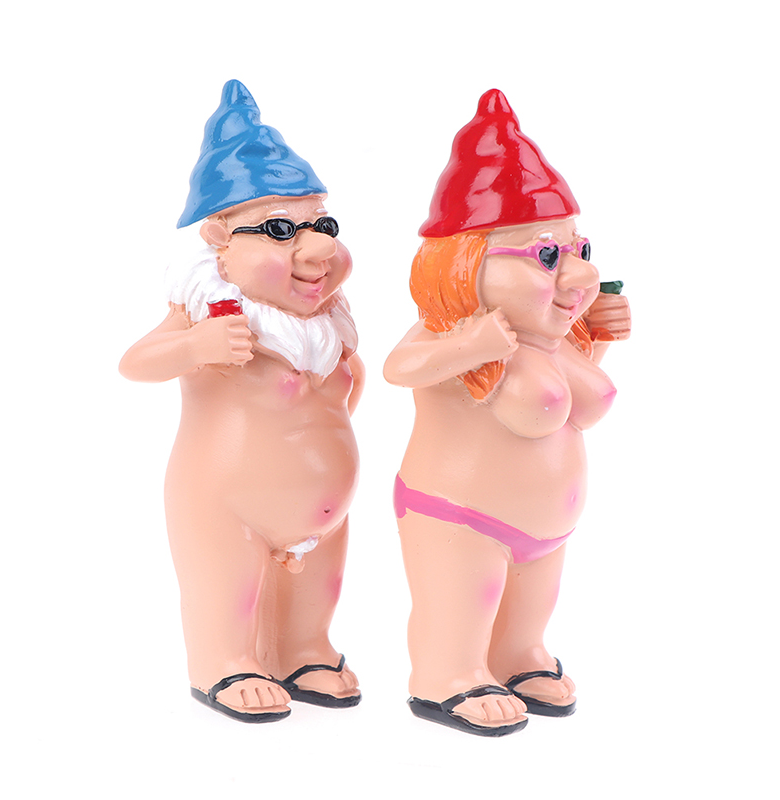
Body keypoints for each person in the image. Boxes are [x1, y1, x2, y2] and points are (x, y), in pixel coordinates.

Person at [384, 89, 631, 736]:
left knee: (527, 617)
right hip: (459, 515)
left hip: (547, 530)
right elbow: (398, 368)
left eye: (579, 251)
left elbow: (571, 406)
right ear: (466, 265)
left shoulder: (549, 337)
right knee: (458, 611)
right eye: (548, 256)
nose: (581, 276)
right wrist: (469, 346)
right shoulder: (452, 330)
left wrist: (599, 338)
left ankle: (518, 657)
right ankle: (448, 676)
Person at [120, 80, 363, 723]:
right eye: (282, 230)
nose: (318, 248)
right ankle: (224, 662)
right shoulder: (206, 312)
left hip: (324, 514)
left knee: (314, 595)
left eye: (323, 226)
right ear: (220, 240)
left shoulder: (328, 325)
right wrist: (193, 345)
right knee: (224, 590)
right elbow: (134, 363)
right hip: (226, 503)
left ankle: (302, 649)